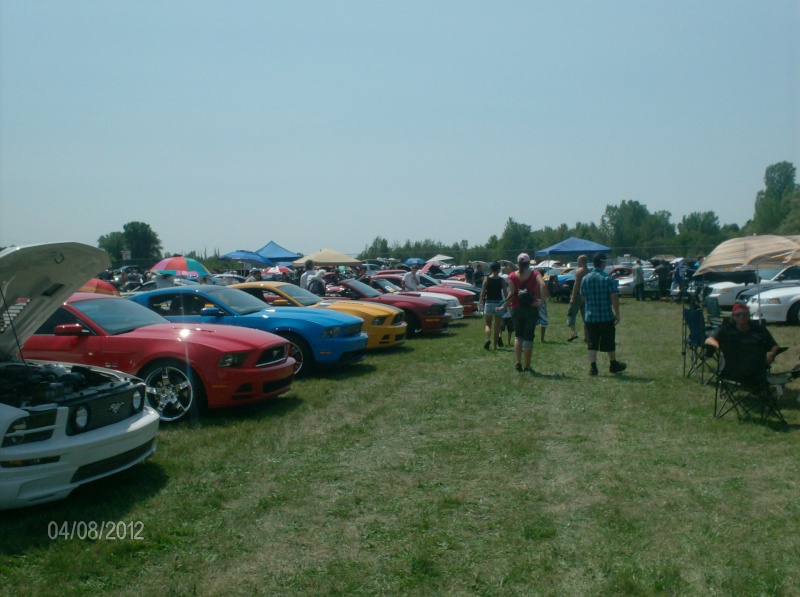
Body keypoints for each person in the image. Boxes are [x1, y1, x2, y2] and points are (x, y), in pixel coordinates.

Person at [705, 303, 780, 383]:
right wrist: (718, 346)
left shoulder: (759, 329)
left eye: (744, 314)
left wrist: (771, 354)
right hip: (732, 371)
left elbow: (774, 346)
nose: (741, 317)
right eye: (738, 314)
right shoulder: (726, 329)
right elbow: (709, 340)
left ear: (749, 316)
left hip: (756, 371)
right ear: (733, 316)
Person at [581, 252, 626, 376]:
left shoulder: (585, 278)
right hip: (605, 316)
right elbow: (614, 297)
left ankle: (593, 368)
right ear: (602, 263)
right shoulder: (607, 278)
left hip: (590, 317)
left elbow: (583, 298)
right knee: (609, 341)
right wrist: (617, 313)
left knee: (592, 343)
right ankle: (613, 364)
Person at [498, 253, 542, 373]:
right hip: (530, 309)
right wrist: (540, 301)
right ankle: (527, 366)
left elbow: (512, 294)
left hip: (516, 309)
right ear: (528, 263)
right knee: (528, 338)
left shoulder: (512, 276)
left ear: (518, 263)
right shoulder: (535, 274)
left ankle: (518, 363)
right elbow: (542, 285)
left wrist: (503, 306)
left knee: (518, 336)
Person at [479, 261, 508, 350]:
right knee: (497, 325)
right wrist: (507, 304)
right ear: (499, 270)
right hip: (499, 303)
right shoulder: (501, 280)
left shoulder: (486, 279)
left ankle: (488, 339)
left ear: (491, 269)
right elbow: (506, 293)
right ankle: (495, 346)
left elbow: (483, 293)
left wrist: (480, 303)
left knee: (488, 324)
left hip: (489, 303)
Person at [567, 254, 589, 341]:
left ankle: (573, 333)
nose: (577, 262)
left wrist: (572, 297)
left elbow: (576, 285)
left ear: (581, 261)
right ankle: (587, 337)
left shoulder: (579, 271)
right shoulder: (589, 272)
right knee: (586, 317)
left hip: (578, 296)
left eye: (578, 261)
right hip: (586, 297)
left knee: (571, 314)